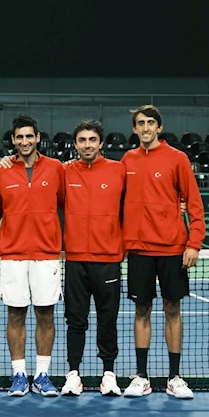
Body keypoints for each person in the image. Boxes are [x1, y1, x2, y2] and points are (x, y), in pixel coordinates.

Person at [121, 105, 204, 399]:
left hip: (172, 249)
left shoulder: (177, 159)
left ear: (159, 127)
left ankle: (174, 377)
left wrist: (194, 242)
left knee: (172, 310)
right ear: (134, 129)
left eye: (150, 123)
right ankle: (141, 377)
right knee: (141, 310)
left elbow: (194, 202)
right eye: (140, 123)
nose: (145, 128)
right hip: (139, 250)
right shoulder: (127, 160)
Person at [0, 115, 64, 397]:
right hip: (13, 255)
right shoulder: (2, 172)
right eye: (19, 137)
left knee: (46, 314)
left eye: (29, 136)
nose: (24, 141)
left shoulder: (56, 169)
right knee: (15, 315)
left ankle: (43, 375)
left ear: (37, 138)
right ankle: (19, 375)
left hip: (46, 254)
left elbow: (70, 203)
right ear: (13, 140)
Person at [59, 120, 126, 396]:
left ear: (101, 143)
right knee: (75, 320)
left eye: (92, 140)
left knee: (107, 319)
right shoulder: (63, 172)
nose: (87, 145)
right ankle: (73, 373)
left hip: (108, 258)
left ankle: (108, 374)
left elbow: (136, 202)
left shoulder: (119, 170)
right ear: (75, 144)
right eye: (82, 140)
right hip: (75, 259)